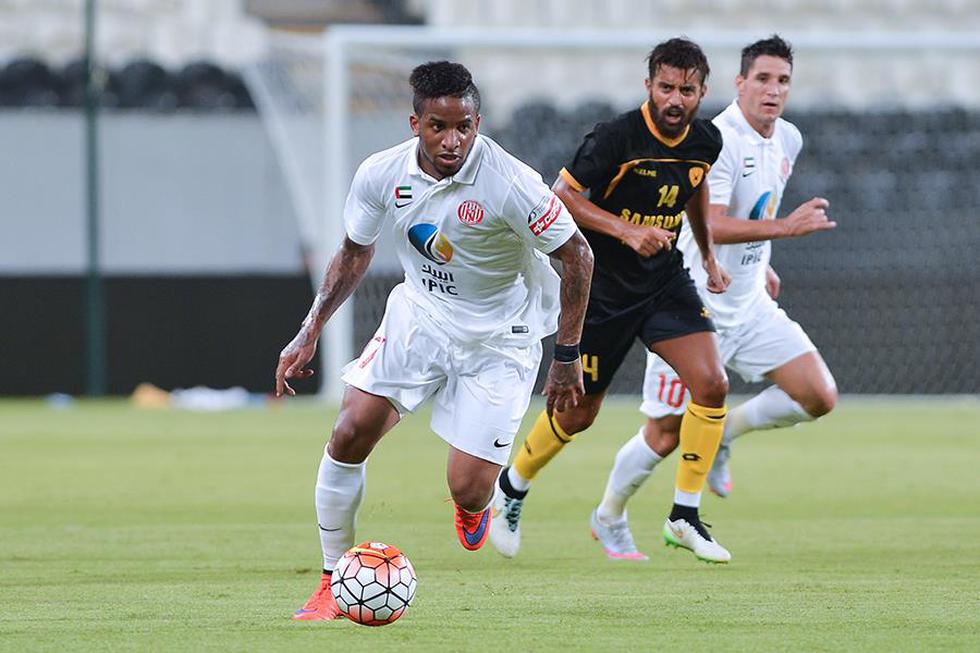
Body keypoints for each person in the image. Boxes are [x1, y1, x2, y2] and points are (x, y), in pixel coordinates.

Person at [276, 61, 593, 621]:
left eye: (464, 127)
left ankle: (475, 507)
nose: (453, 141)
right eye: (438, 127)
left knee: (467, 488)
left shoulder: (512, 182)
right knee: (349, 430)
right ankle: (331, 578)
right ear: (415, 123)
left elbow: (579, 258)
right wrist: (310, 330)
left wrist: (565, 357)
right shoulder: (380, 174)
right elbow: (355, 251)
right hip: (420, 317)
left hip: (501, 337)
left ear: (478, 122)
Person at [490, 38, 734, 564]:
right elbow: (560, 198)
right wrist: (624, 230)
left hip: (665, 281)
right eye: (665, 87)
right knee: (578, 415)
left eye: (686, 90)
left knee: (712, 383)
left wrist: (709, 255)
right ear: (649, 86)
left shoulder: (707, 140)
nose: (675, 99)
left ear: (701, 92)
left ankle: (683, 515)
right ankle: (512, 485)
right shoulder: (614, 138)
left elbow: (695, 187)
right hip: (602, 289)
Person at [593, 35, 838, 558]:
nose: (773, 91)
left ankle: (722, 434)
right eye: (764, 79)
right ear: (739, 83)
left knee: (818, 395)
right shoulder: (717, 139)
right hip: (693, 307)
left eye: (783, 81)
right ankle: (609, 513)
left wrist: (763, 266)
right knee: (663, 434)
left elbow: (757, 205)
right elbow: (717, 222)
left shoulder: (787, 139)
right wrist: (784, 232)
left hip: (748, 304)